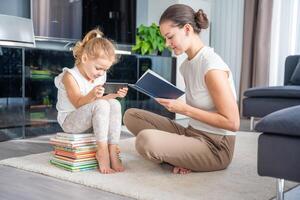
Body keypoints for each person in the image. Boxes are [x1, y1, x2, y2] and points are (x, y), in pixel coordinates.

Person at [123, 4, 240, 174]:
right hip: (191, 132)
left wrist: (184, 109)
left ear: (187, 29)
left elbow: (233, 123)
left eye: (170, 37)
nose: (166, 43)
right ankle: (178, 156)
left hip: (216, 146)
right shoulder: (186, 66)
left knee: (145, 140)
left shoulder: (212, 67)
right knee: (131, 115)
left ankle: (177, 157)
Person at [54, 28, 128, 174]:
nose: (101, 73)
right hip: (70, 122)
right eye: (98, 68)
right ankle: (102, 152)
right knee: (101, 103)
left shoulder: (99, 76)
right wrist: (93, 94)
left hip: (91, 119)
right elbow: (78, 103)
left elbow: (101, 104)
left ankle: (112, 150)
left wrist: (114, 95)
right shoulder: (69, 76)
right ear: (85, 58)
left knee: (114, 103)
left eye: (105, 70)